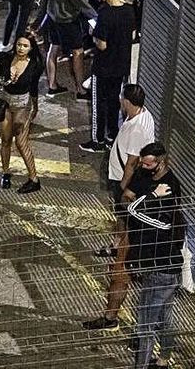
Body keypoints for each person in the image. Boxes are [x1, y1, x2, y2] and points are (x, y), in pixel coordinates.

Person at [83, 84, 155, 331]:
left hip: (124, 190)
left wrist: (124, 189)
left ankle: (110, 317)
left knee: (119, 271)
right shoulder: (143, 117)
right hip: (129, 209)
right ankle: (118, 250)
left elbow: (131, 163)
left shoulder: (136, 129)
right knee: (121, 234)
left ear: (126, 101)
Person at [124, 142, 185, 368]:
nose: (143, 165)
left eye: (148, 163)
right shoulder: (152, 176)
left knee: (145, 324)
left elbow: (134, 210)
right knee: (164, 317)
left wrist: (151, 194)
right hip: (169, 267)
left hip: (159, 269)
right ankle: (164, 359)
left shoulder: (168, 188)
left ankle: (142, 365)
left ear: (161, 161)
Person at [34, 0, 100, 101]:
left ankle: (52, 85)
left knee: (53, 49)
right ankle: (81, 90)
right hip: (67, 20)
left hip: (53, 16)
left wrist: (39, 19)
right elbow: (84, 5)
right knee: (78, 52)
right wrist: (100, 20)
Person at [79, 0, 135, 153]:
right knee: (113, 103)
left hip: (103, 67)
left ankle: (98, 140)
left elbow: (102, 45)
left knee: (98, 104)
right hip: (121, 66)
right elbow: (132, 35)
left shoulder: (105, 13)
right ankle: (112, 136)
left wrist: (93, 34)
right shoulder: (129, 10)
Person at [0, 33, 44, 193]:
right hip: (5, 103)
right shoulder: (6, 58)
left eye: (25, 46)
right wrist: (5, 80)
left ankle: (34, 179)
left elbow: (34, 87)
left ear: (31, 48)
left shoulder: (35, 64)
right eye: (19, 45)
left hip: (23, 105)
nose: (21, 48)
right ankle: (5, 173)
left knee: (21, 143)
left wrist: (35, 107)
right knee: (6, 140)